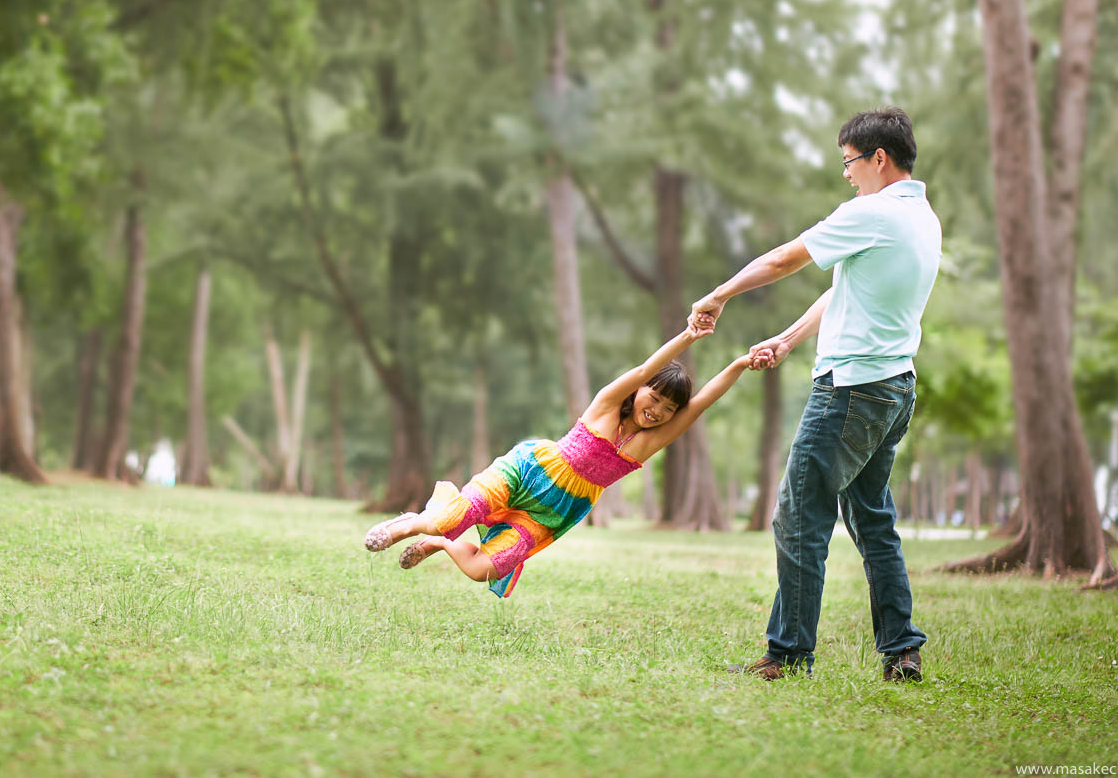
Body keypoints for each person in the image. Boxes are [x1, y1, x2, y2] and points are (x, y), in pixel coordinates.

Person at [688, 107, 941, 682]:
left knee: (799, 516)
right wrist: (788, 338)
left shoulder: (872, 212)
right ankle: (903, 649)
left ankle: (787, 655)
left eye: (850, 162)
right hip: (894, 388)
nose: (847, 174)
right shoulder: (922, 218)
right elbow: (846, 288)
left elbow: (784, 259)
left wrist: (719, 295)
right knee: (873, 520)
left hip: (849, 391)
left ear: (879, 158)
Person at [364, 325, 755, 596]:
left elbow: (701, 404)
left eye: (669, 409)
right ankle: (400, 529)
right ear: (639, 391)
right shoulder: (605, 406)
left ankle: (437, 544)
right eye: (654, 398)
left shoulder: (647, 443)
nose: (657, 411)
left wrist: (739, 364)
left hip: (555, 512)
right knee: (447, 519)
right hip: (527, 471)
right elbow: (642, 369)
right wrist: (688, 336)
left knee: (483, 569)